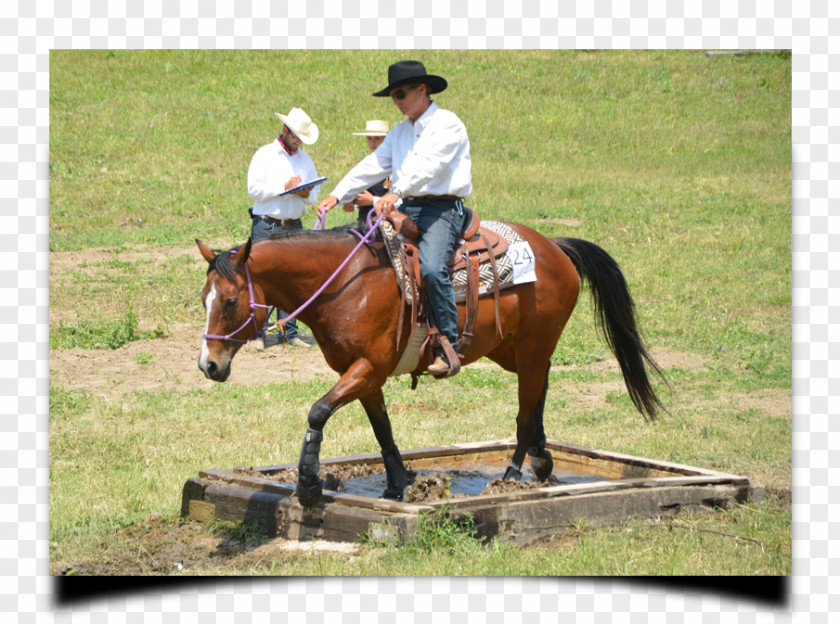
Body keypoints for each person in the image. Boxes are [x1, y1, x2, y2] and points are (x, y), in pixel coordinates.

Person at [317, 60, 471, 376]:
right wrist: (338, 194)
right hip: (405, 208)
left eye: (401, 93)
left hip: (440, 211)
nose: (397, 102)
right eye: (393, 96)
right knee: (364, 257)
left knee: (430, 267)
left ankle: (448, 345)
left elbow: (430, 166)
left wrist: (395, 191)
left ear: (422, 89)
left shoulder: (448, 124)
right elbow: (372, 164)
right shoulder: (400, 133)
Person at [247, 106, 322, 349]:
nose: (299, 142)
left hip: (293, 226)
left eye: (302, 138)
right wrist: (283, 186)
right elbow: (254, 189)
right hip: (267, 224)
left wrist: (306, 193)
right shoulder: (265, 154)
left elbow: (315, 193)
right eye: (296, 136)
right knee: (261, 279)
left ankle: (289, 332)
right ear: (285, 130)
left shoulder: (305, 159)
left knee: (291, 280)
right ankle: (257, 334)